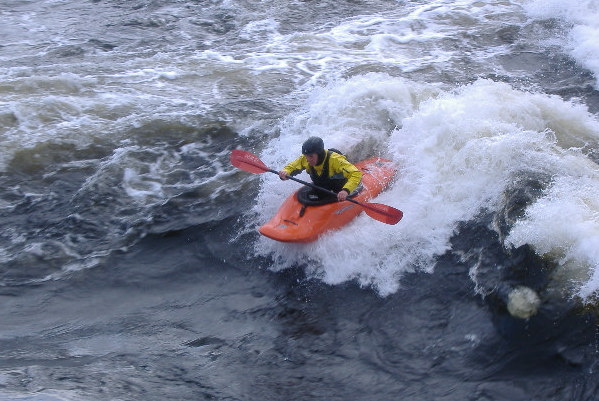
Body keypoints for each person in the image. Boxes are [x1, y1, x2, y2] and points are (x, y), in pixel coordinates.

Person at [278, 136, 362, 202]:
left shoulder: (335, 160)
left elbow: (356, 174)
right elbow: (292, 166)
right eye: (306, 156)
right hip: (322, 188)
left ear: (320, 154)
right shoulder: (306, 158)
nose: (308, 159)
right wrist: (285, 172)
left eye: (311, 156)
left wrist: (346, 191)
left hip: (340, 189)